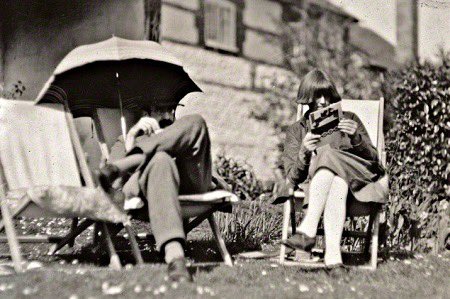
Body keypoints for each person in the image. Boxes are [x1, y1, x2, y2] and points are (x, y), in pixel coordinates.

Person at [281, 69, 387, 268]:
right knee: (337, 181)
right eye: (316, 96)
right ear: (307, 99)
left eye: (326, 95)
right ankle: (333, 258)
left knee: (326, 154)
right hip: (330, 187)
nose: (322, 101)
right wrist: (304, 151)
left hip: (358, 182)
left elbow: (374, 160)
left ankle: (308, 229)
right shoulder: (297, 131)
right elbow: (293, 177)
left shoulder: (350, 119)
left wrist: (356, 139)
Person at [98, 105, 215, 283]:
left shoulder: (181, 133)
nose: (167, 114)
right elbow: (113, 187)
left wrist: (163, 138)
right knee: (160, 159)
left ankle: (126, 163)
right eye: (160, 109)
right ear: (146, 114)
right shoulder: (126, 139)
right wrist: (130, 140)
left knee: (196, 121)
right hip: (147, 187)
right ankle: (176, 259)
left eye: (171, 109)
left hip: (189, 184)